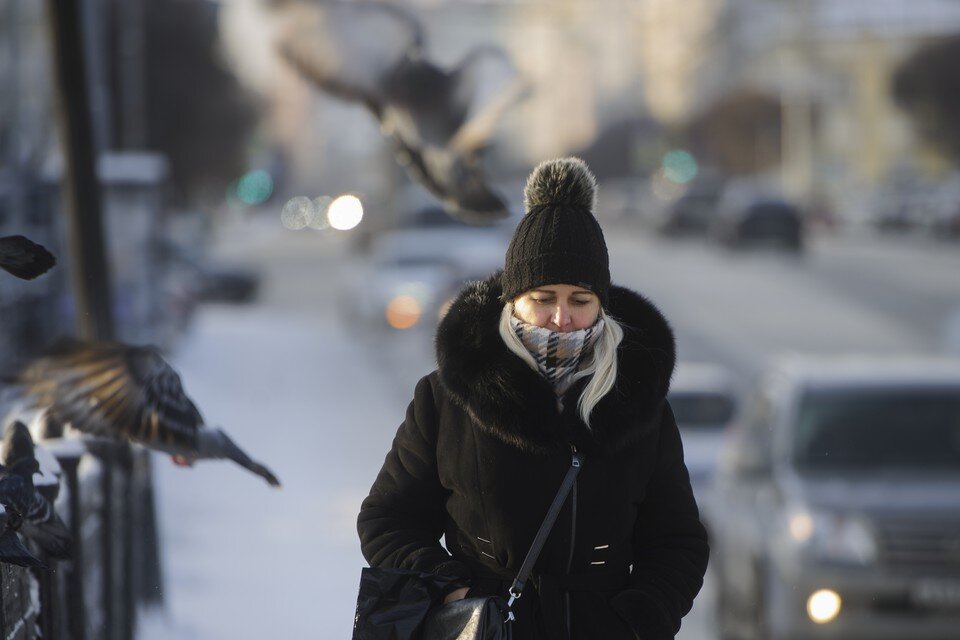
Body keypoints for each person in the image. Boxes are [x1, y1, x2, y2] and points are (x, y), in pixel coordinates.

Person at [358, 157, 709, 639]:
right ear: (513, 300)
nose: (561, 318)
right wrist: (451, 589)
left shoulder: (639, 403)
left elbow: (677, 542)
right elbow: (387, 519)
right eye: (543, 298)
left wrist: (638, 621)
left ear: (602, 304)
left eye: (580, 300)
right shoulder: (448, 399)